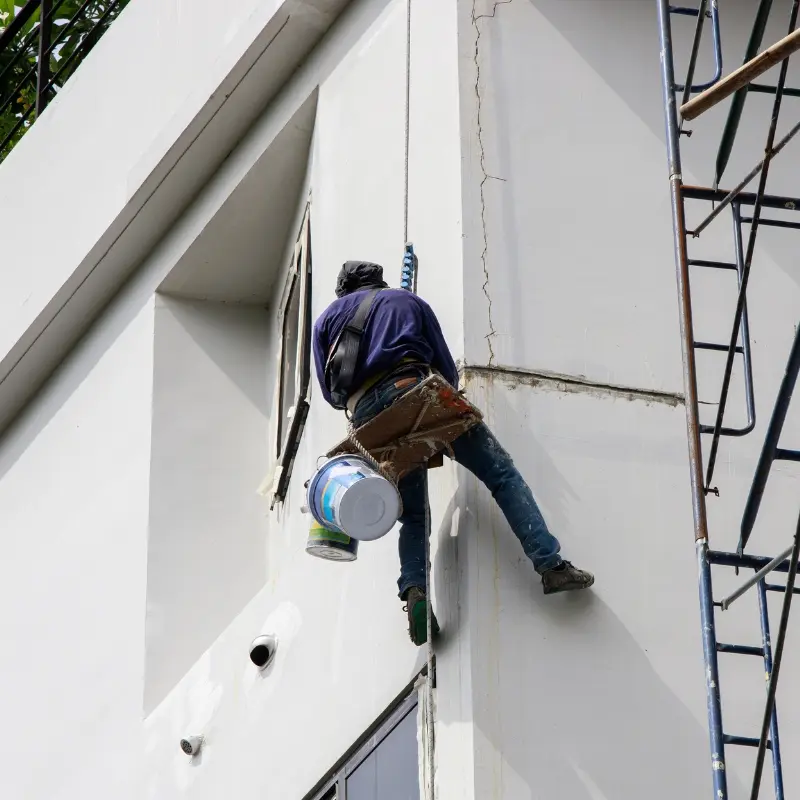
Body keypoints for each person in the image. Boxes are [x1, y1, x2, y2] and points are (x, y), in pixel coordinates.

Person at [313, 261, 594, 645]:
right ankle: (550, 565)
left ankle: (415, 590)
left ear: (343, 290)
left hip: (369, 422)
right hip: (415, 390)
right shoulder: (405, 300)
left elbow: (332, 395)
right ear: (379, 281)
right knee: (501, 474)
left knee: (412, 514)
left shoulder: (327, 321)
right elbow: (445, 366)